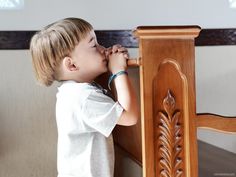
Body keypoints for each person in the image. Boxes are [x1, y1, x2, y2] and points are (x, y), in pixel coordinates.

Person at [30, 17, 139, 177]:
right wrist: (118, 72)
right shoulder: (84, 97)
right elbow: (129, 116)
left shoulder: (73, 92)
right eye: (94, 45)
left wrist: (113, 64)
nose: (102, 49)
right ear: (72, 65)